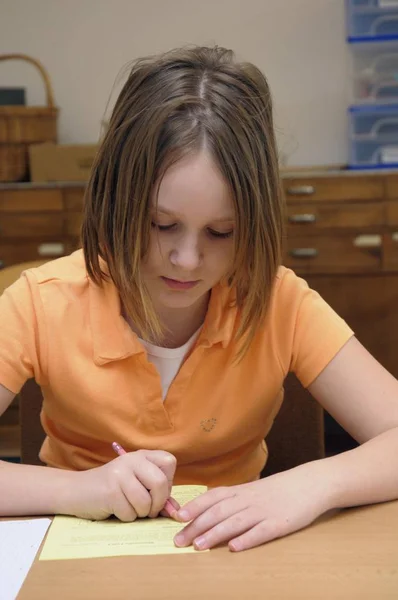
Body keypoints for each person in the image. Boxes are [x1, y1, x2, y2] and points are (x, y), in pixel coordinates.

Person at [1, 45, 398, 554]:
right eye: (161, 225)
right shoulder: (41, 302)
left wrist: (308, 484)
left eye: (221, 232)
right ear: (116, 201)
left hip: (235, 564)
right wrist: (79, 489)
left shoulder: (278, 300)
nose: (187, 260)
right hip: (75, 562)